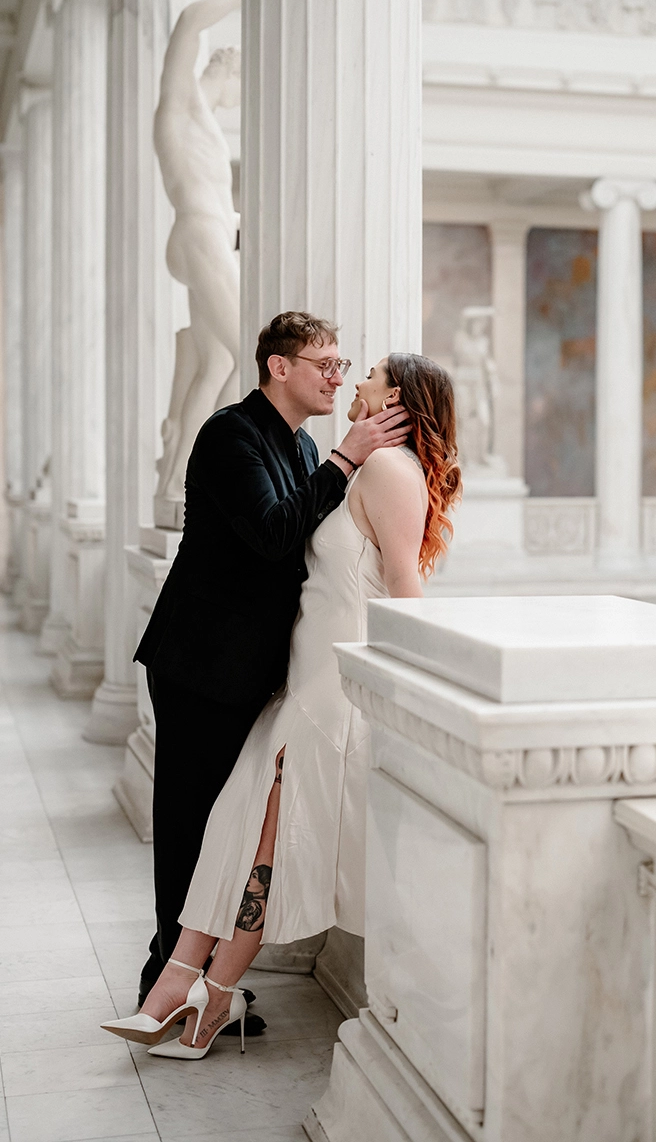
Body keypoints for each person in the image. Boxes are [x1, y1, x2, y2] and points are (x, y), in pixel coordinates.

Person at [124, 313, 411, 1040]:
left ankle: (197, 985)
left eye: (345, 364)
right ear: (279, 367)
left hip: (257, 672)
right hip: (200, 664)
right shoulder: (231, 434)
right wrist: (347, 459)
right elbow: (275, 533)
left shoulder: (302, 442)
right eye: (324, 363)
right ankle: (164, 982)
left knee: (227, 826)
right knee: (191, 825)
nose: (337, 376)